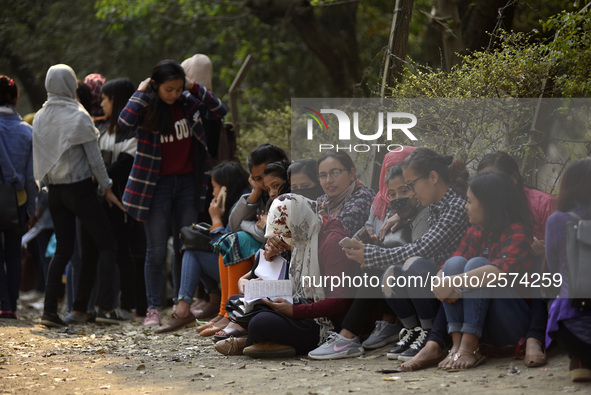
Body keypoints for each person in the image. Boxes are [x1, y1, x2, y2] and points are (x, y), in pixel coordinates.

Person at [309, 147, 469, 360]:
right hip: (433, 284)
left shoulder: (454, 207)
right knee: (391, 273)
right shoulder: (434, 206)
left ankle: (431, 334)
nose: (411, 192)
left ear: (433, 177)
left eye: (411, 186)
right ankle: (414, 331)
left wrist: (370, 254)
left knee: (415, 264)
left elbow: (422, 248)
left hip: (449, 284)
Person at [118, 59, 227, 326]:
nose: (174, 94)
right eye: (169, 89)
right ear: (157, 86)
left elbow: (219, 110)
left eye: (178, 88)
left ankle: (182, 304)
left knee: (184, 245)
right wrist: (142, 90)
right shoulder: (147, 107)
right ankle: (153, 308)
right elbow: (123, 121)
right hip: (155, 186)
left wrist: (192, 86)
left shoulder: (188, 102)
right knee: (155, 250)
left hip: (187, 184)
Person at [33, 64, 124, 327]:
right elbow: (95, 159)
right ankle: (106, 307)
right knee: (107, 244)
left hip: (55, 192)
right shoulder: (78, 115)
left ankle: (54, 311)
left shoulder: (40, 116)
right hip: (81, 190)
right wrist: (106, 187)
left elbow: (39, 156)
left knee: (64, 250)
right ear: (72, 85)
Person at [214, 194, 359, 357]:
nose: (284, 241)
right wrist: (269, 262)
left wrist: (294, 311)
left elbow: (340, 301)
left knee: (260, 323)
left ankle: (247, 341)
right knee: (235, 302)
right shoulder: (304, 235)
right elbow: (294, 284)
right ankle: (266, 342)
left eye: (288, 235)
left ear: (299, 224)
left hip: (323, 321)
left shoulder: (332, 242)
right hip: (297, 304)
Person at [433, 171, 533, 370]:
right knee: (454, 264)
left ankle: (469, 347)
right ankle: (457, 344)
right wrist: (439, 281)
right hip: (483, 321)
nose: (465, 207)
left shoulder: (518, 230)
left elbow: (498, 271)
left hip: (510, 323)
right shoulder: (477, 230)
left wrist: (451, 283)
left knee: (477, 265)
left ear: (489, 204)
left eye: (470, 202)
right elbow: (449, 263)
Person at [198, 144, 288, 336]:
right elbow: (235, 222)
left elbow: (271, 231)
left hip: (281, 257)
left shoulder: (287, 190)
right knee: (229, 240)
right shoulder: (264, 192)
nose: (264, 183)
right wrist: (255, 192)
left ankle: (232, 315)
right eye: (256, 179)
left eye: (264, 177)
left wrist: (259, 228)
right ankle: (225, 312)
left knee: (236, 240)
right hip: (265, 251)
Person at [477, 151, 555, 367]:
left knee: (542, 262)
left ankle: (534, 338)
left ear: (512, 178)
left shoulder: (543, 204)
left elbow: (568, 257)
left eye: (494, 179)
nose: (489, 187)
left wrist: (549, 249)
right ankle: (460, 343)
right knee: (474, 266)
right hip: (502, 296)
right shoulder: (483, 211)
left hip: (533, 300)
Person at [155, 161, 251, 333]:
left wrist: (215, 219)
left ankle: (184, 310)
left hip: (243, 270)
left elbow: (227, 246)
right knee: (194, 246)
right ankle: (213, 303)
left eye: (215, 187)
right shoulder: (238, 200)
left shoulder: (242, 204)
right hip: (235, 268)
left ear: (225, 189)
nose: (213, 192)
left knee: (193, 252)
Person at [545, 158, 591, 382]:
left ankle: (580, 359)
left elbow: (554, 270)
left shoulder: (557, 221)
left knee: (557, 297)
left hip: (574, 326)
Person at [0, 75, 38, 319]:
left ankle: (2, 302)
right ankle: (11, 305)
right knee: (14, 252)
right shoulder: (27, 131)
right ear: (15, 98)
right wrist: (31, 210)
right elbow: (30, 176)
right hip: (18, 199)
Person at [316, 151, 375, 236]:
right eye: (323, 175)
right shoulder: (324, 200)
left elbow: (336, 235)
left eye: (335, 173)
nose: (328, 180)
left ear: (351, 173)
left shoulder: (362, 198)